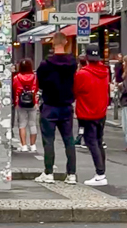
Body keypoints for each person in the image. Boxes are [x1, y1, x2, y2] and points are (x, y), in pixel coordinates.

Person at [34, 32, 77, 183]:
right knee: (69, 140)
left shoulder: (45, 64)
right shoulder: (73, 62)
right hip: (66, 105)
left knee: (48, 140)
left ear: (52, 43)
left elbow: (39, 82)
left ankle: (48, 173)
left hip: (50, 105)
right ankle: (71, 174)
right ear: (65, 42)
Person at [74, 44, 110, 185]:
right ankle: (101, 172)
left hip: (87, 111)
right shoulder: (105, 71)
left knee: (91, 142)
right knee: (99, 141)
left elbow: (75, 91)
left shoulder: (82, 74)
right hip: (101, 111)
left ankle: (100, 174)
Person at [12, 58, 40, 155]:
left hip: (20, 102)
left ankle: (24, 145)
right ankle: (33, 145)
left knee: (22, 124)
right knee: (32, 123)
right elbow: (37, 88)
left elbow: (15, 88)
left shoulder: (16, 77)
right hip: (33, 101)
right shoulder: (35, 77)